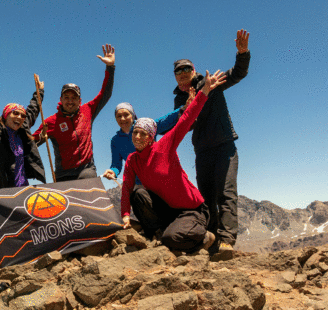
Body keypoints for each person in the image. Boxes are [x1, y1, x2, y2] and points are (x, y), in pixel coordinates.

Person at [121, 70, 226, 253]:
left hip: (192, 209)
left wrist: (205, 91)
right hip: (169, 210)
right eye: (135, 132)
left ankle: (204, 238)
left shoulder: (165, 146)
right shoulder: (133, 159)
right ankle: (158, 233)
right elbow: (126, 187)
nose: (137, 136)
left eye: (142, 133)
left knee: (172, 239)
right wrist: (125, 215)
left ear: (151, 137)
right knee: (138, 194)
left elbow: (186, 120)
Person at [172, 29, 250, 254]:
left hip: (225, 147)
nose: (183, 74)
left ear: (193, 70)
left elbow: (237, 74)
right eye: (179, 72)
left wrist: (242, 53)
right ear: (176, 78)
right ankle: (212, 240)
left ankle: (226, 241)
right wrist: (188, 108)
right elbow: (184, 127)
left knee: (226, 192)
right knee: (206, 199)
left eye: (187, 69)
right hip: (203, 152)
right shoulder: (179, 98)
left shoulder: (211, 82)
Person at [32, 44, 115, 182]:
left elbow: (105, 94)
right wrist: (40, 137)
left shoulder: (87, 110)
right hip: (62, 174)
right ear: (61, 99)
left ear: (80, 100)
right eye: (67, 97)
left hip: (86, 169)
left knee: (86, 180)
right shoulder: (51, 122)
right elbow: (32, 143)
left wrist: (110, 68)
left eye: (74, 98)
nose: (70, 101)